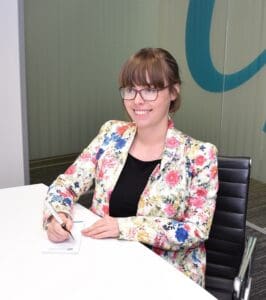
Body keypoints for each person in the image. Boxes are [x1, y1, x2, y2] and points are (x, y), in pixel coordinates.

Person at [44, 47, 218, 287]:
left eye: (150, 90)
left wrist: (123, 226)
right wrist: (57, 216)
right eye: (130, 90)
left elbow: (195, 229)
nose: (137, 100)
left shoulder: (199, 155)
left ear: (174, 92)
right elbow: (66, 185)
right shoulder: (111, 134)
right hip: (105, 263)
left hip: (164, 278)